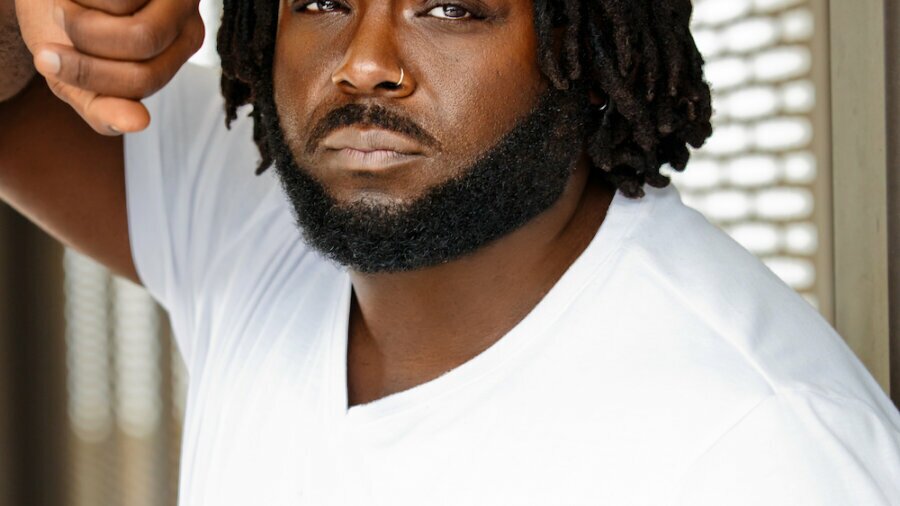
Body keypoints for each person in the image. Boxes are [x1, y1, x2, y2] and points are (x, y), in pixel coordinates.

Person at [2, 0, 899, 504]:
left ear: (582, 48)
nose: (364, 62)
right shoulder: (251, 226)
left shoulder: (764, 454)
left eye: (451, 7)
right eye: (320, 0)